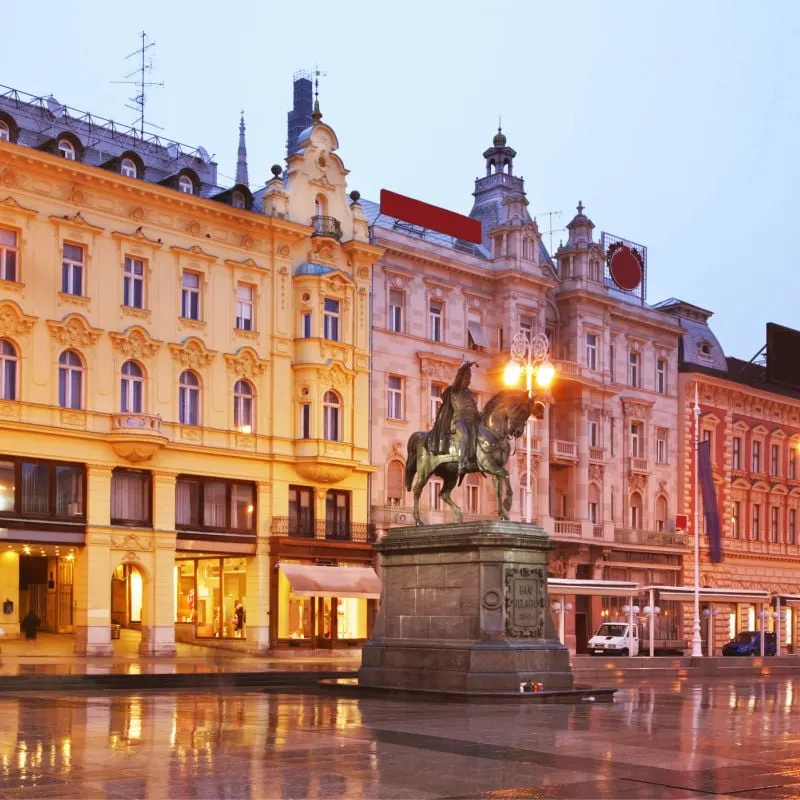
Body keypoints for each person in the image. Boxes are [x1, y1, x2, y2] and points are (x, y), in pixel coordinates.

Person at [429, 361, 481, 476]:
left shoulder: (469, 393)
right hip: (459, 420)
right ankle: (461, 463)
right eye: (466, 377)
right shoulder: (455, 389)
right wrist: (465, 367)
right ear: (461, 377)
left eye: (470, 377)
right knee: (464, 435)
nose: (468, 380)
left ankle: (477, 459)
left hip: (471, 420)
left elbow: (474, 409)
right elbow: (458, 380)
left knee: (481, 435)